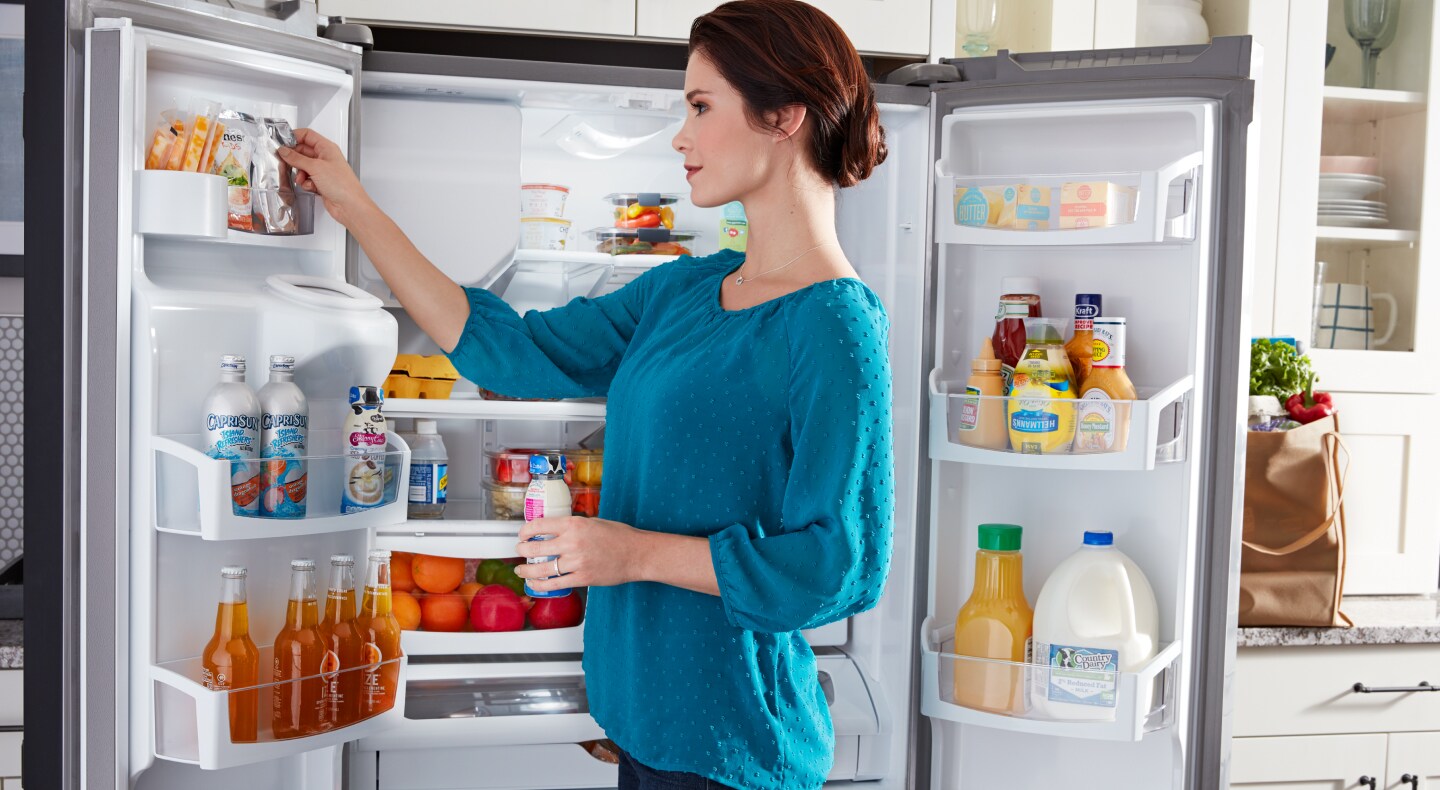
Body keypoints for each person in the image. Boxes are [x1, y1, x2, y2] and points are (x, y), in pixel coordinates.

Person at [278, 1, 893, 786]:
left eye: (701, 107)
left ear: (782, 115)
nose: (682, 135)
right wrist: (351, 204)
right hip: (641, 719)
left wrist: (628, 553)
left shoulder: (834, 324)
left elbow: (840, 567)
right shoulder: (683, 292)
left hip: (732, 743)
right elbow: (512, 349)